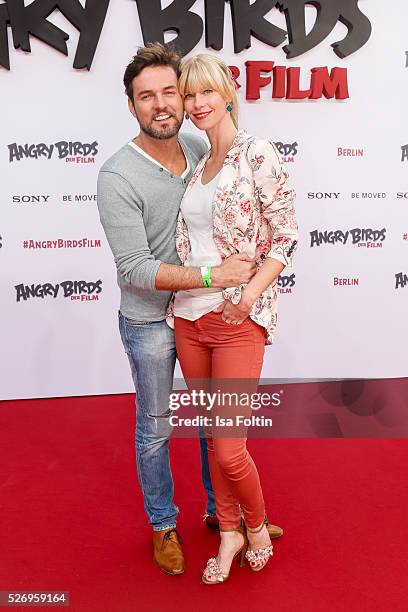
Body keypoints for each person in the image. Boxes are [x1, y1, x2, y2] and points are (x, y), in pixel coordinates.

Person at [96, 43, 258, 576]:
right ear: (131, 105)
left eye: (172, 92)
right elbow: (137, 268)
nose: (163, 104)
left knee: (215, 424)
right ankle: (163, 524)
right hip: (149, 319)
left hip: (201, 315)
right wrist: (213, 276)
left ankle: (223, 514)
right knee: (157, 426)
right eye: (148, 96)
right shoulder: (117, 176)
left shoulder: (199, 146)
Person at [168, 53, 298, 584]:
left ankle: (258, 527)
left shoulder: (256, 153)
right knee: (211, 439)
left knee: (229, 445)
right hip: (189, 320)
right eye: (189, 95)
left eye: (206, 93)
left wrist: (247, 299)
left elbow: (285, 236)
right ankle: (229, 532)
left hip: (237, 318)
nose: (197, 105)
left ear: (227, 93)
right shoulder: (199, 167)